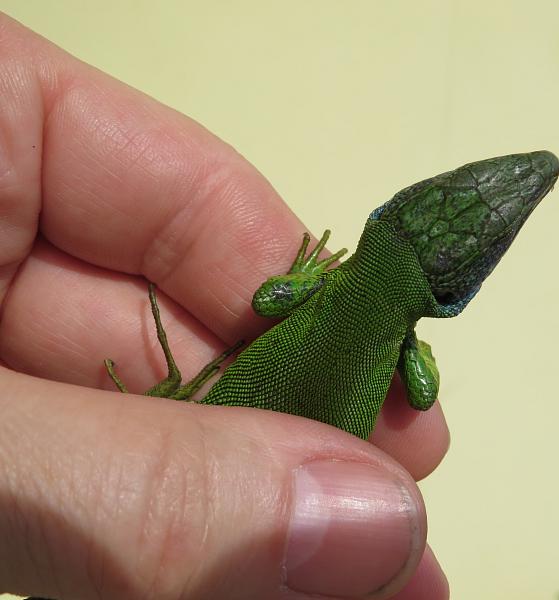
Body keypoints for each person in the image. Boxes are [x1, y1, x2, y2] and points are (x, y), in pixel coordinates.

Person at [0, 12, 450, 600]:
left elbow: (270, 296)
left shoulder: (327, 284)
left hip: (212, 417)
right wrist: (426, 357)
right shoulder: (401, 349)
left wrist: (308, 271)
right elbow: (419, 393)